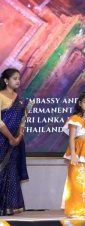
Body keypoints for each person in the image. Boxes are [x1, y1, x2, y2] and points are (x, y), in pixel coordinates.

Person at [0, 69, 29, 216]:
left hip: (16, 143)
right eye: (14, 78)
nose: (18, 81)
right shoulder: (0, 96)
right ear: (6, 81)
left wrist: (18, 137)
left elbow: (23, 120)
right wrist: (10, 138)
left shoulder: (21, 100)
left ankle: (9, 206)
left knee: (12, 173)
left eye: (19, 78)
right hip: (2, 141)